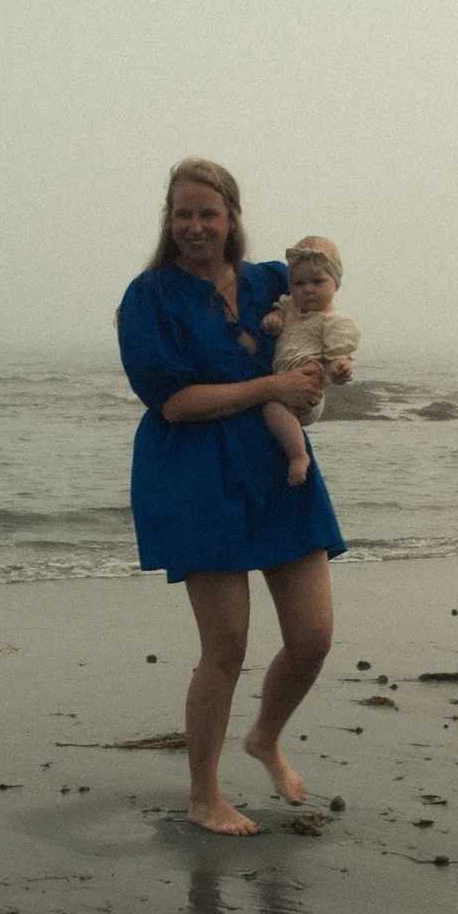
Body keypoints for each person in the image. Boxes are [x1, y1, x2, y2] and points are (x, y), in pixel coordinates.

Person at [116, 159, 351, 835]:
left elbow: (323, 299)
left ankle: (264, 736)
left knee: (313, 636)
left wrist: (328, 362)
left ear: (232, 219)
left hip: (278, 469)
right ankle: (204, 795)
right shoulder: (149, 297)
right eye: (183, 214)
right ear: (169, 219)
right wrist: (271, 388)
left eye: (208, 214)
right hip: (194, 473)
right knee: (225, 645)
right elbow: (174, 403)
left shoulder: (269, 281)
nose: (195, 226)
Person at [257, 236, 360, 487]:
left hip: (309, 390)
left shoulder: (334, 322)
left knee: (272, 408)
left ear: (335, 283)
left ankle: (298, 455)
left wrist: (340, 369)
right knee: (271, 407)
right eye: (299, 283)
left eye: (318, 282)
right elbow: (278, 312)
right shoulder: (289, 307)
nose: (308, 289)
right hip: (284, 379)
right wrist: (274, 319)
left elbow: (340, 353)